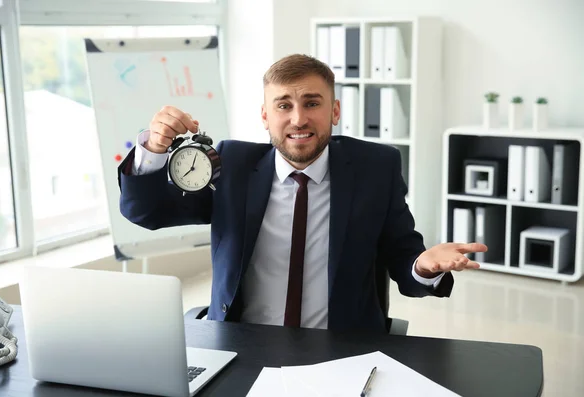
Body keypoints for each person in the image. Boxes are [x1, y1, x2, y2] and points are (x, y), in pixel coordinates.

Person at [117, 54, 487, 332]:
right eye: (284, 106)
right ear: (265, 116)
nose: (298, 119)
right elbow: (146, 213)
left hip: (342, 349)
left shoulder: (375, 168)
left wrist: (423, 266)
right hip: (241, 342)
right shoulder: (232, 164)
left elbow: (405, 264)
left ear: (335, 111)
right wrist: (152, 150)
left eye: (312, 103)